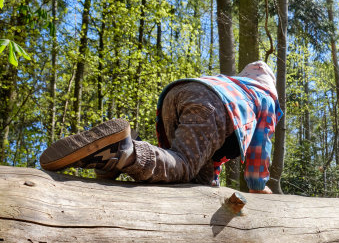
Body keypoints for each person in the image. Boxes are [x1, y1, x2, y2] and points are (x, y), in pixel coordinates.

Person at [40, 61, 282, 194]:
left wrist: (211, 189)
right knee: (184, 165)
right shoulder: (264, 97)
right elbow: (260, 147)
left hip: (179, 92)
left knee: (187, 175)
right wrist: (257, 186)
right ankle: (124, 152)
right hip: (212, 106)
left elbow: (208, 160)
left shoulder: (232, 84)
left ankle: (106, 161)